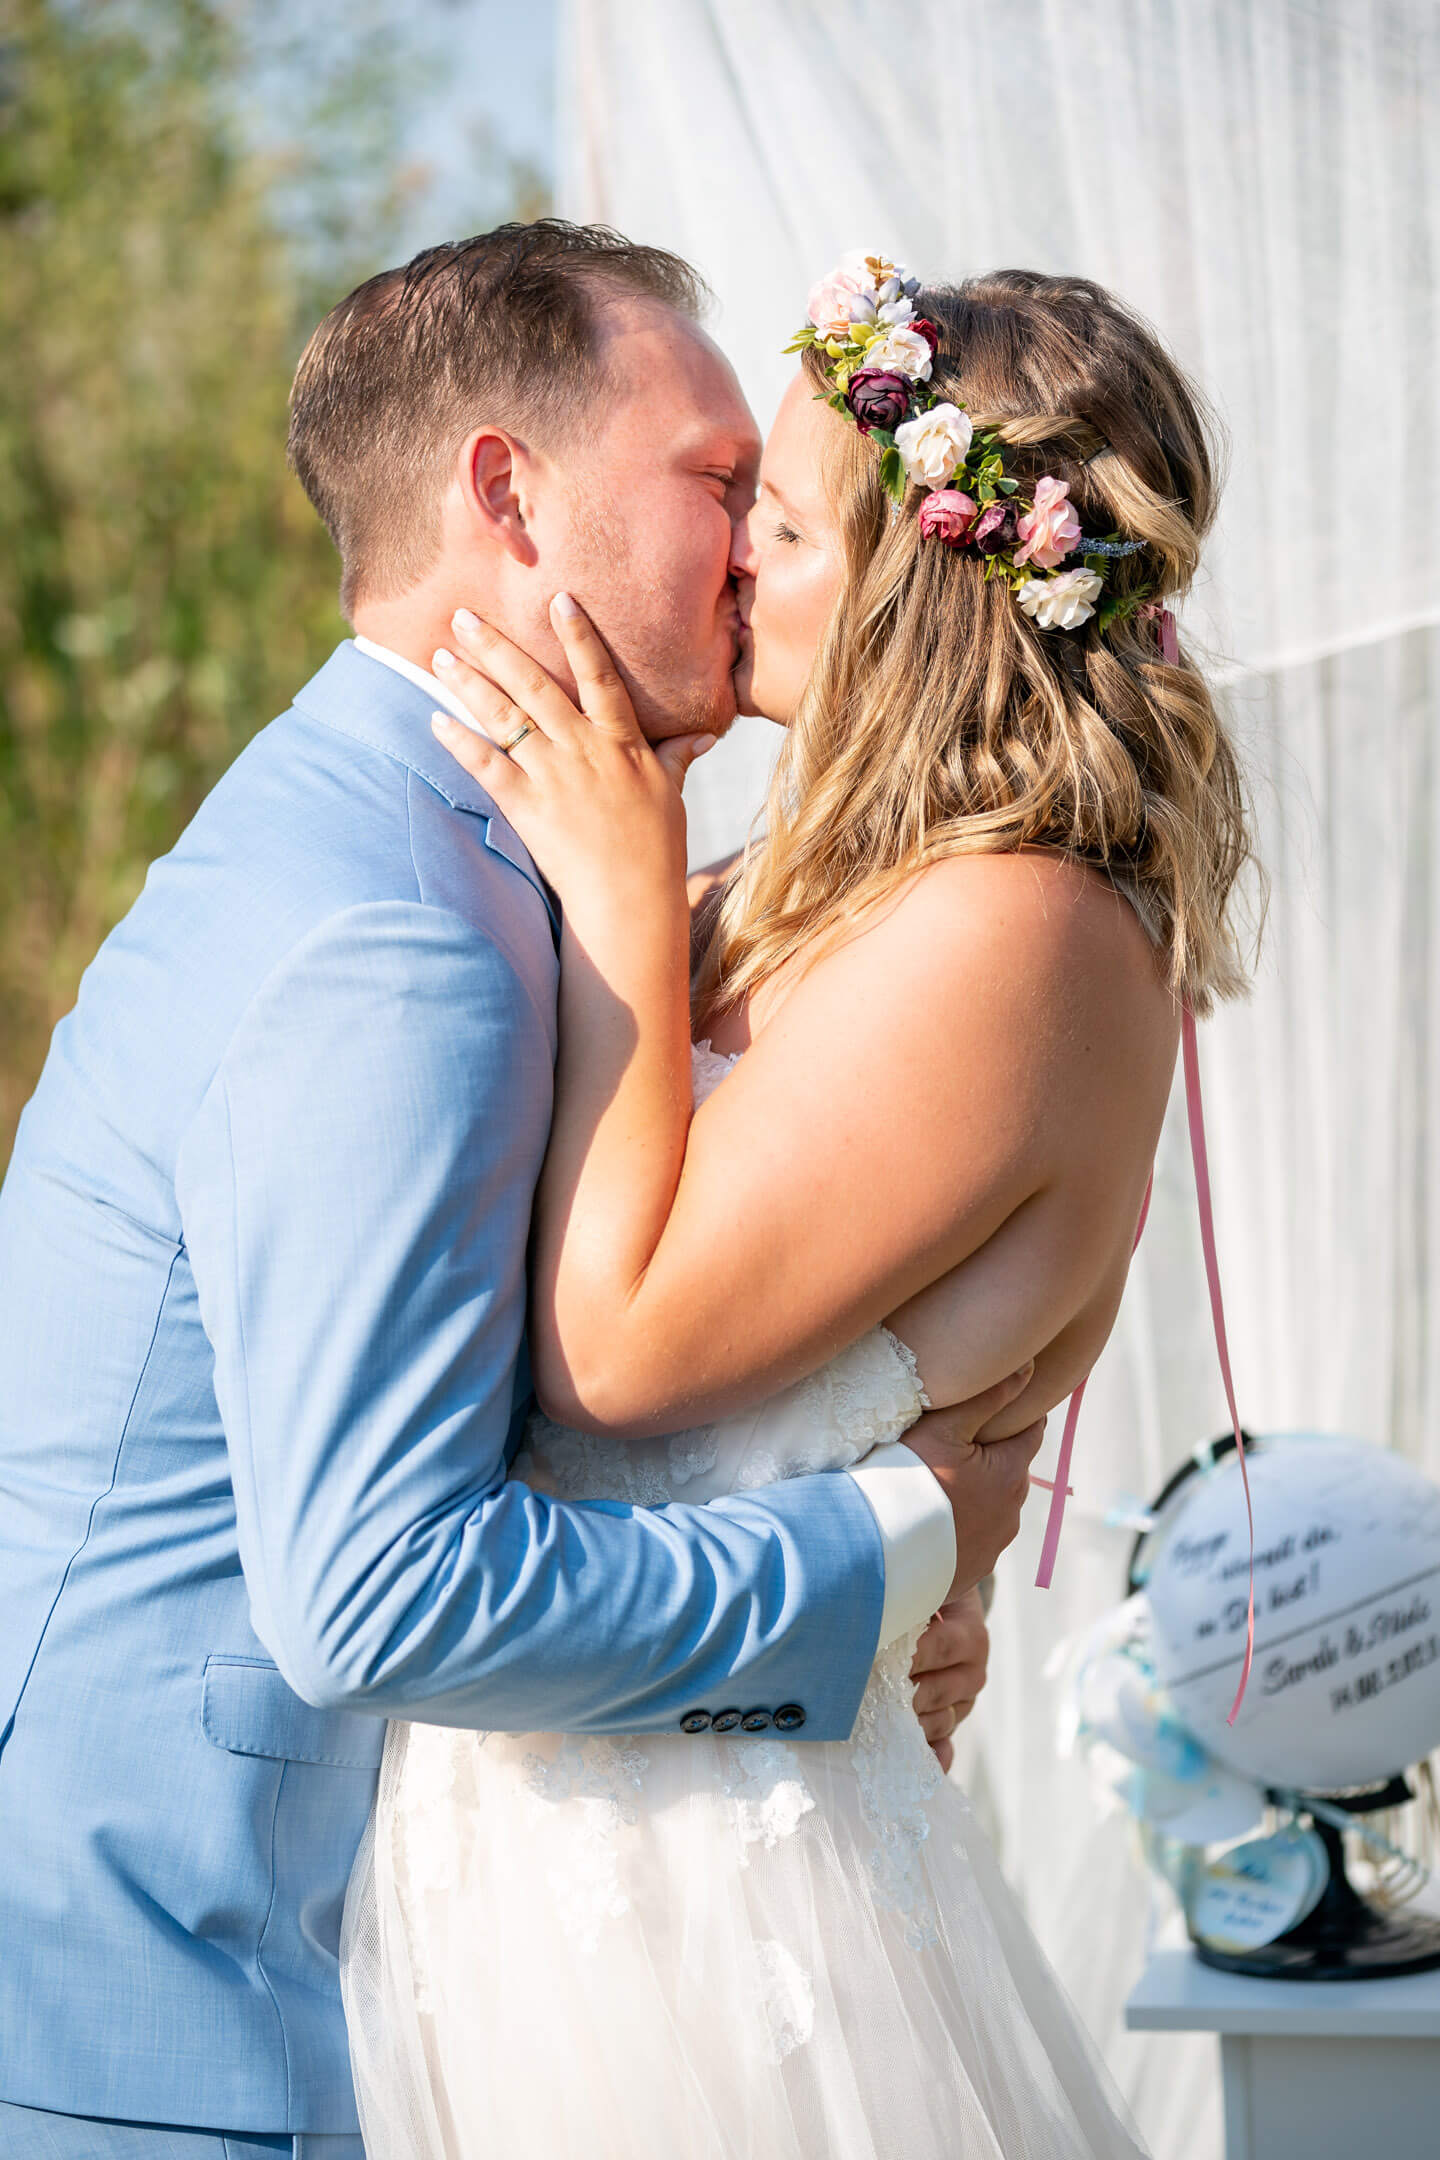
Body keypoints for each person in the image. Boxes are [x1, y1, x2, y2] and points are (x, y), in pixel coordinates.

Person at [0, 224, 1044, 2157]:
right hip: (170, 2036)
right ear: (509, 493)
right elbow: (382, 1595)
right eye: (720, 484)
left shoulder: (427, 841)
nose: (761, 547)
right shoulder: (393, 931)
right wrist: (866, 1566)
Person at [340, 253, 1253, 2157]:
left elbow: (616, 1350)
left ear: (918, 576)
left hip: (725, 1922)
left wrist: (616, 893)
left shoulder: (1026, 933)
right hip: (518, 1843)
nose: (735, 555)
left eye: (779, 516)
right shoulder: (785, 888)